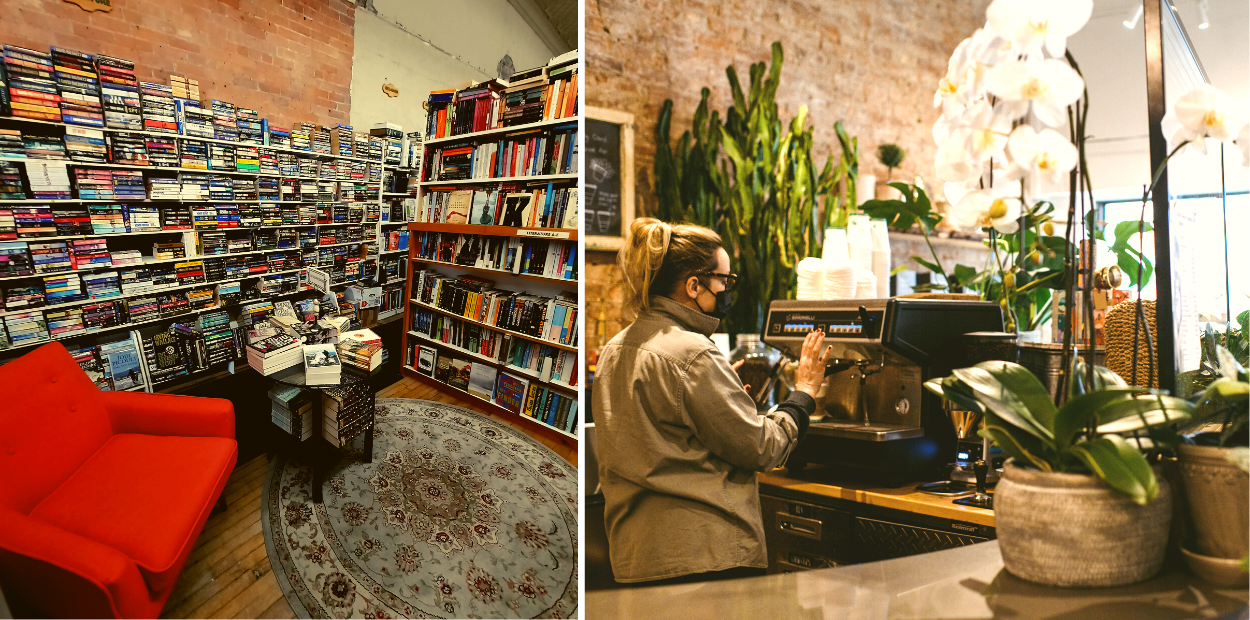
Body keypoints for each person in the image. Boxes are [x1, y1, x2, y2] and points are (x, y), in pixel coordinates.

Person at [592, 218, 833, 585]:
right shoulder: (693, 354)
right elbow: (762, 448)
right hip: (704, 556)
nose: (726, 290)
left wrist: (726, 397)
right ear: (694, 285)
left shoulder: (614, 348)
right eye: (724, 280)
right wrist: (804, 393)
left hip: (635, 555)